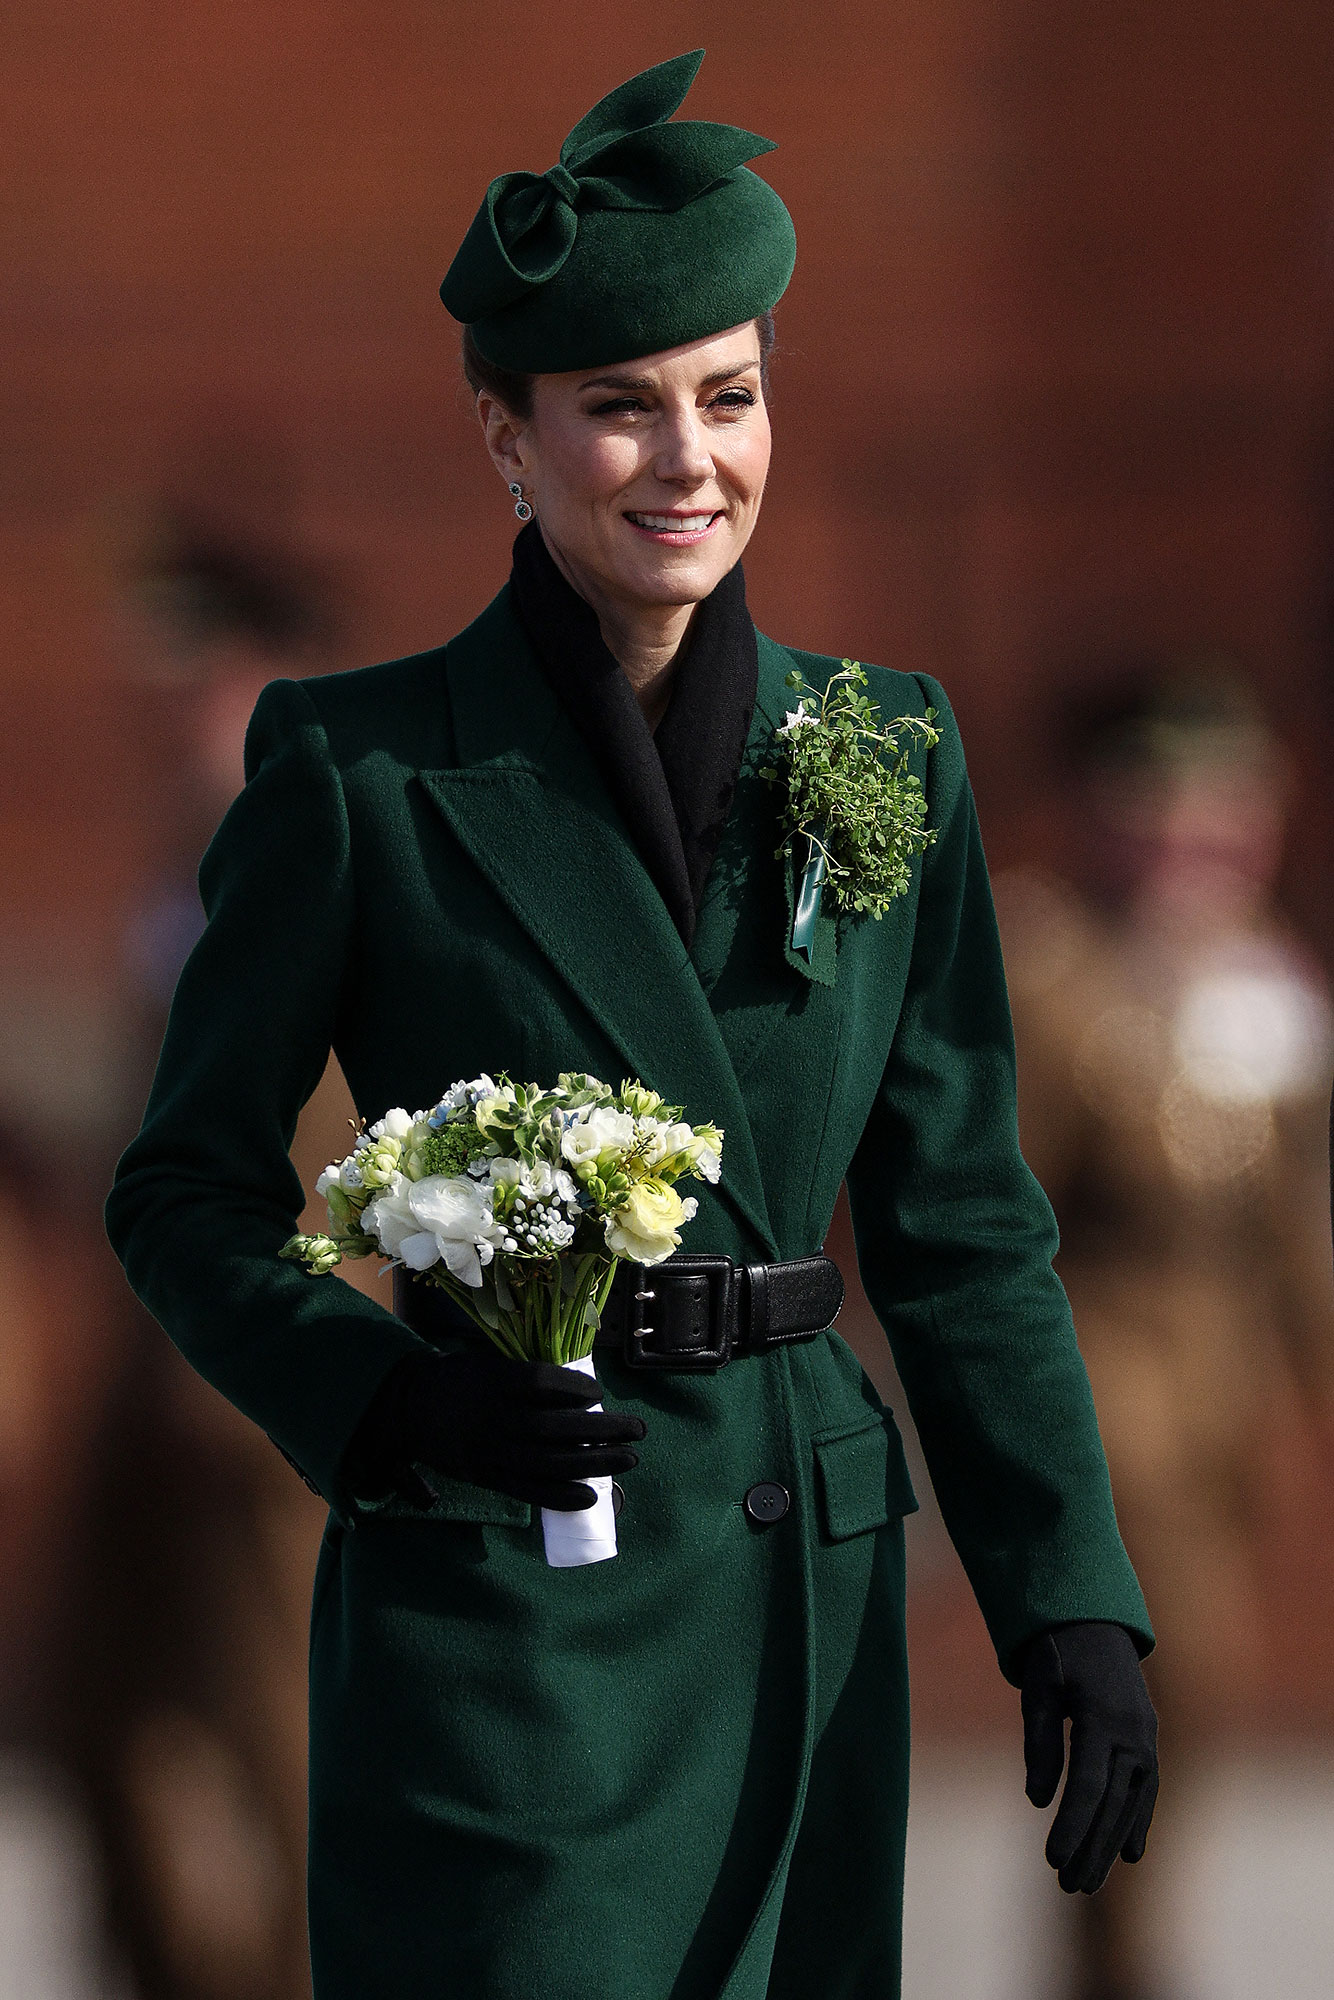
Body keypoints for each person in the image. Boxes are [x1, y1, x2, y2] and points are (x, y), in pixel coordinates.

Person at [105, 50, 1158, 2000]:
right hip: (509, 1587)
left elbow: (963, 1228)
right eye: (618, 410)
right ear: (502, 436)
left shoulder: (883, 746)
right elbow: (182, 1191)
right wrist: (382, 1403)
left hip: (798, 1585)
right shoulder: (359, 773)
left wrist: (1068, 1595)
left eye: (729, 398)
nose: (689, 461)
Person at [996, 662, 1334, 2000]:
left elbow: (1293, 1223)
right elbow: (995, 1224)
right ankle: (1114, 1970)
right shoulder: (1049, 967)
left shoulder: (1262, 971)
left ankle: (1124, 1958)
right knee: (1151, 1706)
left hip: (1225, 1407)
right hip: (1104, 1400)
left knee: (1208, 1717)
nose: (1198, 833)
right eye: (1158, 800)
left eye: (1228, 800)